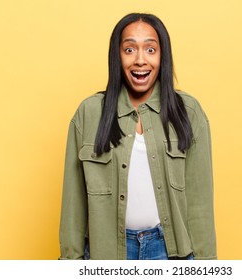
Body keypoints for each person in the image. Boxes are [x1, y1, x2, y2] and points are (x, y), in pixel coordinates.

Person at [59, 13, 216, 260]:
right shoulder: (89, 113)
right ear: (117, 56)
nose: (140, 60)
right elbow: (73, 204)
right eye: (129, 49)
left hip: (168, 253)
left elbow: (200, 204)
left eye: (151, 49)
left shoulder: (189, 112)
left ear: (163, 56)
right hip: (106, 255)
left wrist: (207, 267)